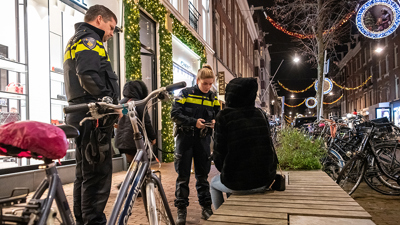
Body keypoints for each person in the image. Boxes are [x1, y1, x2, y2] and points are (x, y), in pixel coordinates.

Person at [63, 5, 119, 225]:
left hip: (81, 114)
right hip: (93, 116)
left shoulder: (75, 40)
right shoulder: (90, 41)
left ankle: (82, 221)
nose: (111, 34)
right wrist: (108, 104)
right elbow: (87, 74)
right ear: (98, 19)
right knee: (96, 177)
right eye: (111, 27)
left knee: (83, 175)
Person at [211, 77, 277, 210]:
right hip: (265, 180)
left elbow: (219, 156)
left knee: (213, 183)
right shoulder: (260, 114)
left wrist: (227, 170)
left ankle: (221, 218)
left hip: (238, 183)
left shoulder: (224, 116)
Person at [171, 64, 220, 224]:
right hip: (185, 140)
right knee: (183, 177)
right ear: (197, 80)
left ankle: (206, 208)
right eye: (205, 83)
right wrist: (193, 122)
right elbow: (175, 114)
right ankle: (181, 211)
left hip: (203, 141)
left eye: (210, 83)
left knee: (202, 177)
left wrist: (214, 122)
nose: (208, 86)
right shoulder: (185, 93)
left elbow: (219, 116)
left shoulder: (213, 97)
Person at [115, 80, 156, 185]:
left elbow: (117, 120)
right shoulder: (139, 103)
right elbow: (146, 122)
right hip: (135, 140)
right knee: (141, 163)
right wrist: (153, 137)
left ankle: (129, 182)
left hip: (121, 141)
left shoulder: (120, 103)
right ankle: (137, 186)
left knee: (132, 163)